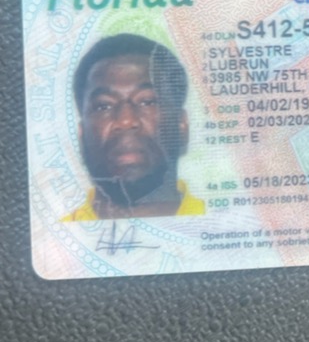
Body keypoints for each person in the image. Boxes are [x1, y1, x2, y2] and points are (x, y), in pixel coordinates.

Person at [62, 33, 205, 220]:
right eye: (104, 106)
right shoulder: (50, 236)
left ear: (182, 125)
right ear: (81, 134)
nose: (126, 120)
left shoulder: (226, 227)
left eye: (147, 101)